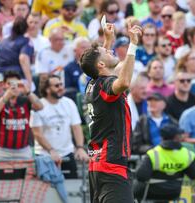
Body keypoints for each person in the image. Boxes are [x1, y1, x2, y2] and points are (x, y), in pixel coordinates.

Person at [80, 20, 142, 203]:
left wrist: (108, 40)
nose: (111, 50)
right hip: (111, 165)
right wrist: (133, 45)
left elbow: (103, 67)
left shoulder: (93, 84)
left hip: (98, 166)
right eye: (106, 51)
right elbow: (123, 82)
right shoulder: (106, 86)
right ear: (100, 64)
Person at [30, 75, 89, 178]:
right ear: (47, 90)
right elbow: (37, 133)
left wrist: (79, 147)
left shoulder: (69, 103)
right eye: (56, 86)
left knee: (72, 190)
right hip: (45, 155)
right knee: (47, 191)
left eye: (61, 84)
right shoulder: (38, 106)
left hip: (66, 153)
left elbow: (76, 127)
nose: (61, 87)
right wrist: (51, 150)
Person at [133, 124, 195, 201]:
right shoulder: (187, 154)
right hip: (174, 192)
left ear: (162, 138)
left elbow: (141, 176)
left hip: (151, 192)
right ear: (176, 137)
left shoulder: (153, 154)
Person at [0, 71, 43, 158]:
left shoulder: (26, 100)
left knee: (23, 172)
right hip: (1, 150)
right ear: (4, 85)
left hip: (23, 150)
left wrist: (28, 92)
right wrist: (6, 96)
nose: (12, 86)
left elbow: (40, 107)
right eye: (9, 83)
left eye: (16, 83)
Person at [0, 16, 34, 89]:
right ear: (26, 29)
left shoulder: (1, 42)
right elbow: (23, 58)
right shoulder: (26, 41)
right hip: (15, 79)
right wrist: (29, 82)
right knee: (32, 90)